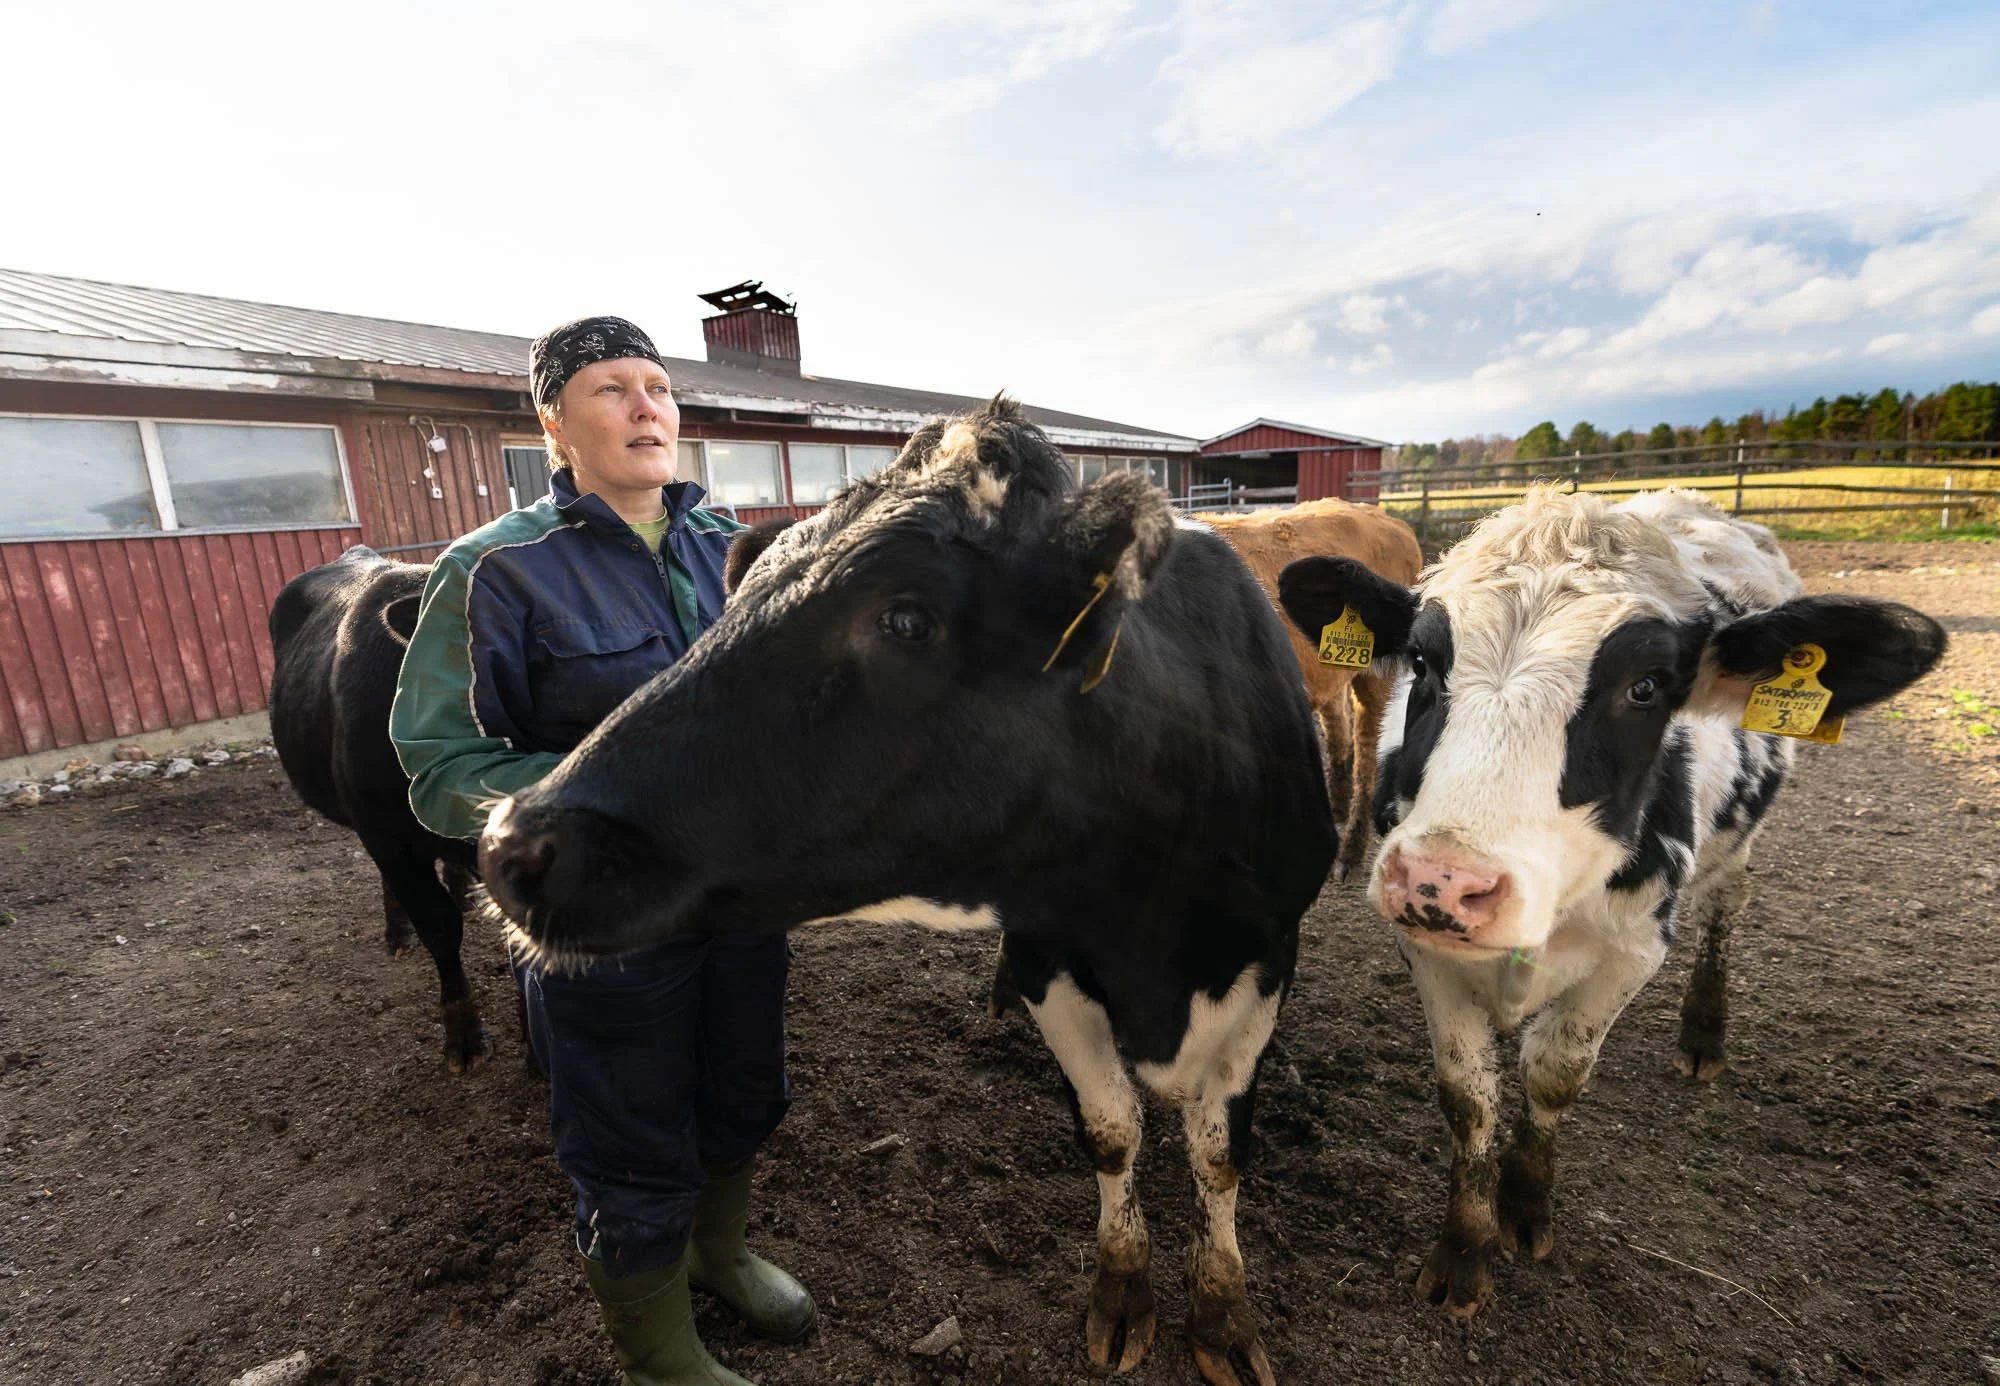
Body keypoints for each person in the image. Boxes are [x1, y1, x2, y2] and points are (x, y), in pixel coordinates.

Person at [389, 316, 811, 1386]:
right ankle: (654, 1347)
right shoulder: (493, 571)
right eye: (611, 389)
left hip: (734, 893)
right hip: (601, 915)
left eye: (659, 388)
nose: (645, 407)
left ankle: (718, 1253)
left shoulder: (740, 549)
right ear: (553, 424)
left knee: (743, 1087)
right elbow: (439, 770)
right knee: (626, 1130)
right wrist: (609, 805)